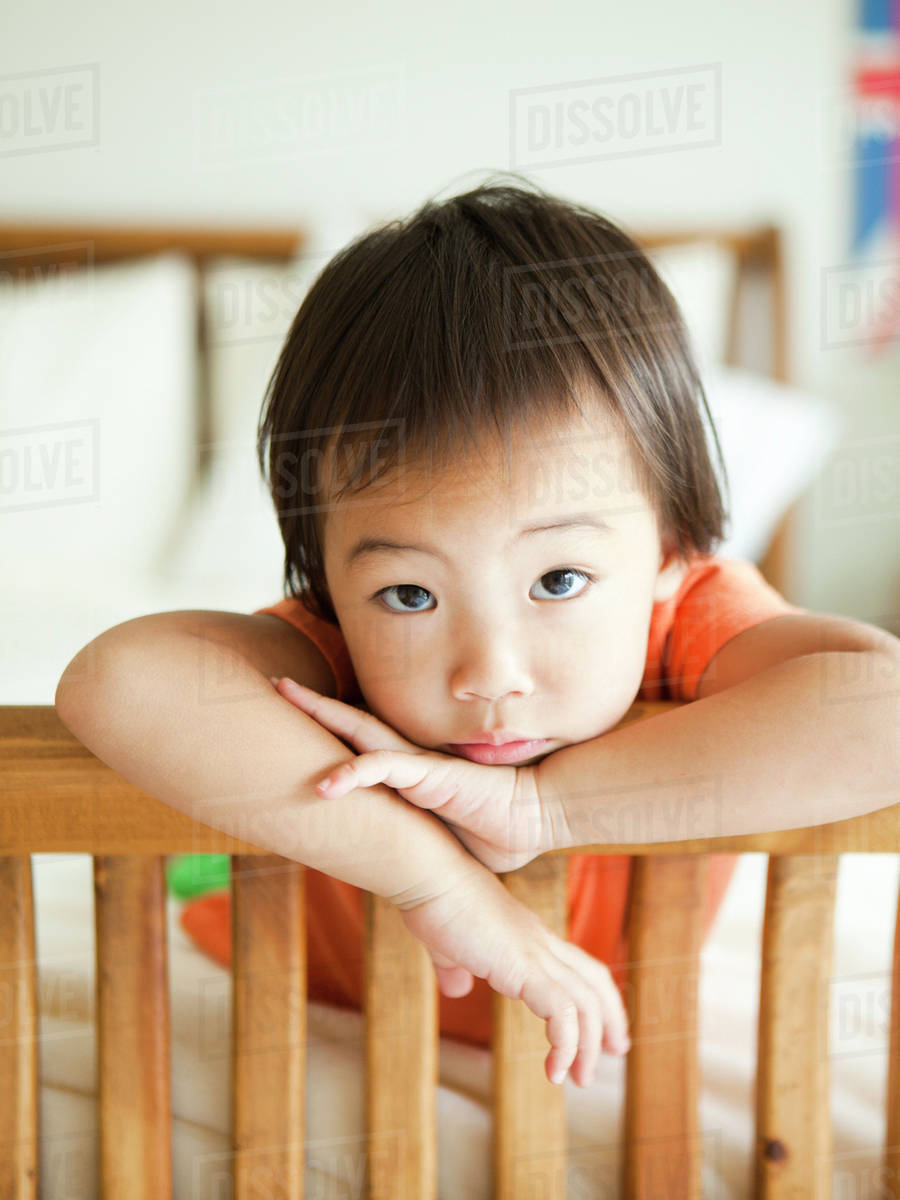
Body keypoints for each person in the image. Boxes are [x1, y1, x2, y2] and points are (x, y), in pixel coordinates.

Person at [55, 176, 900, 1092]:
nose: (489, 675)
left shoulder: (690, 618)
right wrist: (440, 888)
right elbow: (116, 682)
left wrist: (543, 811)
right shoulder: (332, 650)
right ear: (329, 578)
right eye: (410, 594)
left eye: (559, 580)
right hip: (329, 997)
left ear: (670, 548)